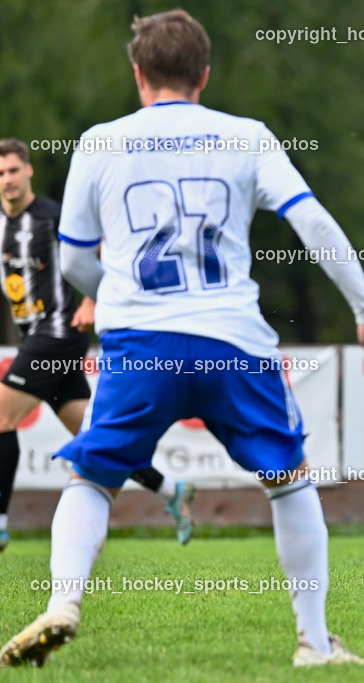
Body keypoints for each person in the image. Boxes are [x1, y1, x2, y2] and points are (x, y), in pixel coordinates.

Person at [0, 9, 364, 669]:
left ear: (138, 76)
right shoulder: (247, 136)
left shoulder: (99, 142)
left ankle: (63, 602)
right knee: (290, 481)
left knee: (93, 474)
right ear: (205, 75)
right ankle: (314, 641)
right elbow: (315, 222)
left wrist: (121, 294)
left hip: (143, 342)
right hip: (232, 342)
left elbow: (72, 260)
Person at [0, 138, 195, 552]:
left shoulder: (52, 217)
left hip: (58, 335)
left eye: (13, 170)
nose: (7, 180)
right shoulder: (3, 225)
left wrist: (91, 299)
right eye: (0, 173)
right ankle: (169, 490)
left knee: (0, 416)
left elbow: (104, 249)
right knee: (99, 439)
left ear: (28, 171)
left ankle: (0, 521)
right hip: (36, 338)